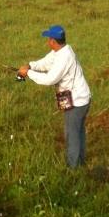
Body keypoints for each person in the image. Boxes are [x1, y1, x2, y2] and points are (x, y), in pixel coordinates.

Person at [18, 24, 91, 168]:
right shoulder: (61, 50)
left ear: (53, 41)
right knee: (77, 131)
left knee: (72, 135)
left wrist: (28, 73)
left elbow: (50, 79)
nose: (47, 41)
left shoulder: (65, 57)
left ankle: (73, 168)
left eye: (48, 39)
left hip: (77, 101)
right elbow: (45, 63)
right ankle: (80, 161)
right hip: (78, 98)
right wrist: (30, 65)